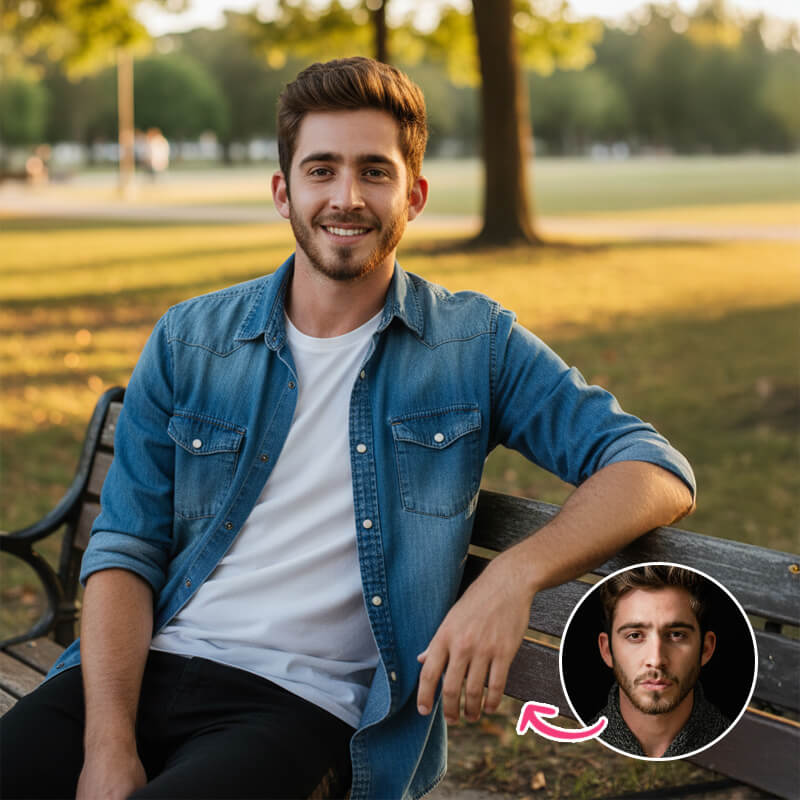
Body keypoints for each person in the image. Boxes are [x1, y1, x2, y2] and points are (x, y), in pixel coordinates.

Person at [0, 57, 696, 800]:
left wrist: (513, 574)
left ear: (415, 194)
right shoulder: (190, 340)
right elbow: (124, 549)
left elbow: (652, 468)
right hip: (135, 674)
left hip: (297, 709)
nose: (346, 198)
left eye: (374, 172)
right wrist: (107, 747)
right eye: (322, 170)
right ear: (284, 191)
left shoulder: (473, 346)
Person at [593, 565, 730, 758]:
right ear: (607, 651)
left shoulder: (734, 746)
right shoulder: (587, 746)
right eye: (634, 636)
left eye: (676, 635)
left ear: (706, 649)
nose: (656, 660)